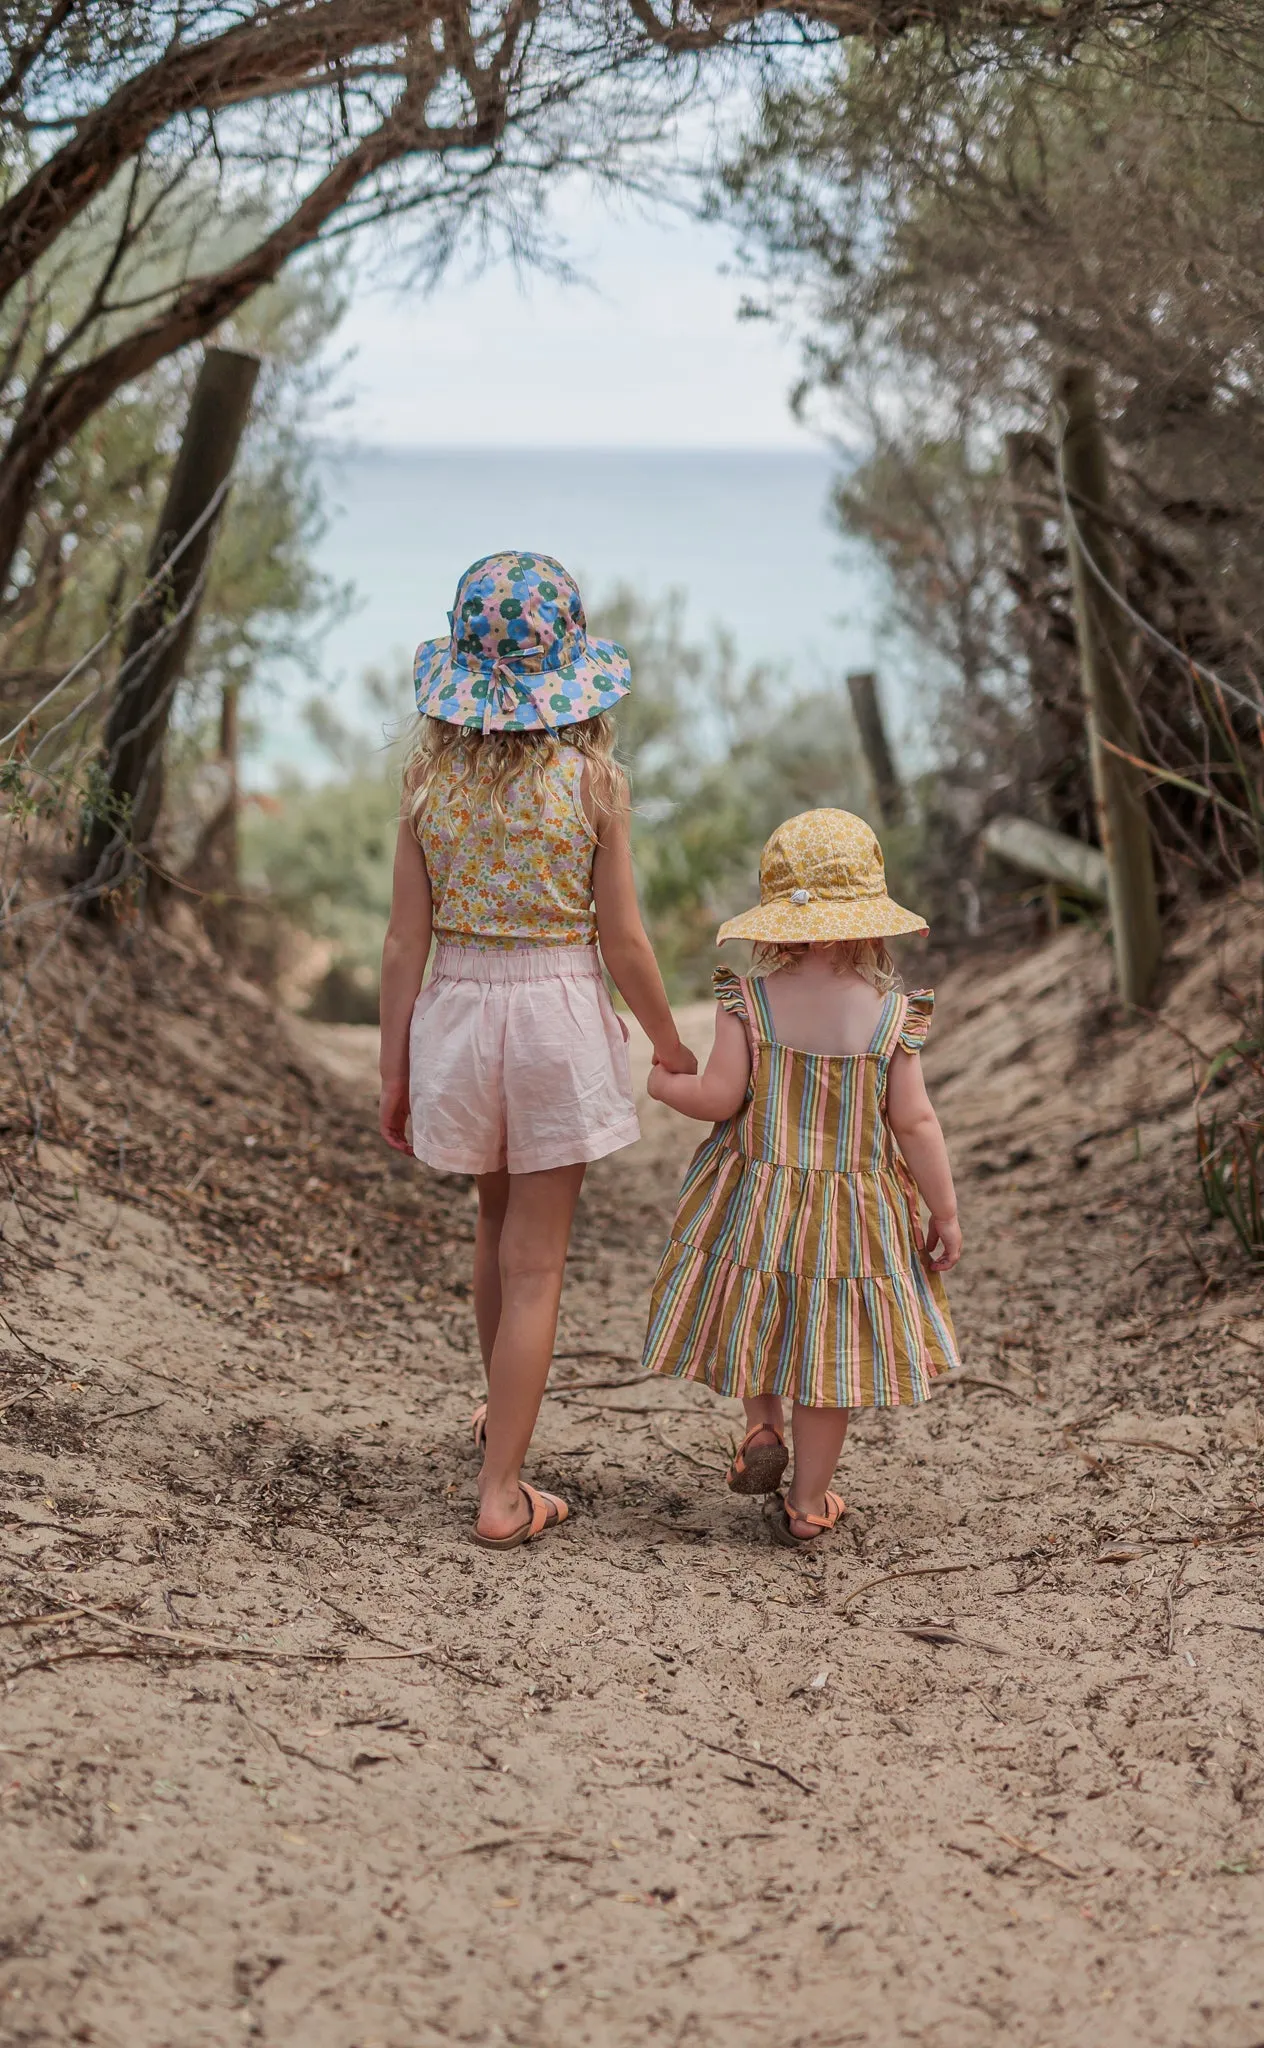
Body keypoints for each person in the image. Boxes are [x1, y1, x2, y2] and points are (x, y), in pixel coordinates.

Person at [379, 550, 695, 1550]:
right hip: (554, 1014)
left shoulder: (429, 783)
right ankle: (503, 1488)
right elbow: (625, 942)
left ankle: (495, 1416)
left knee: (492, 1229)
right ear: (567, 676)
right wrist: (669, 1039)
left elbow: (402, 941)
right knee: (538, 1263)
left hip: (462, 1016)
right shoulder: (592, 782)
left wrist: (394, 1066)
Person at [641, 808, 962, 1547]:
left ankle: (761, 1425)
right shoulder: (888, 1017)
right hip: (854, 1213)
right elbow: (915, 1124)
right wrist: (943, 1213)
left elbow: (718, 1098)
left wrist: (663, 1087)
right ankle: (810, 1502)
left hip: (757, 1198)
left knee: (761, 1310)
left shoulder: (748, 1002)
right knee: (831, 1353)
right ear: (867, 919)